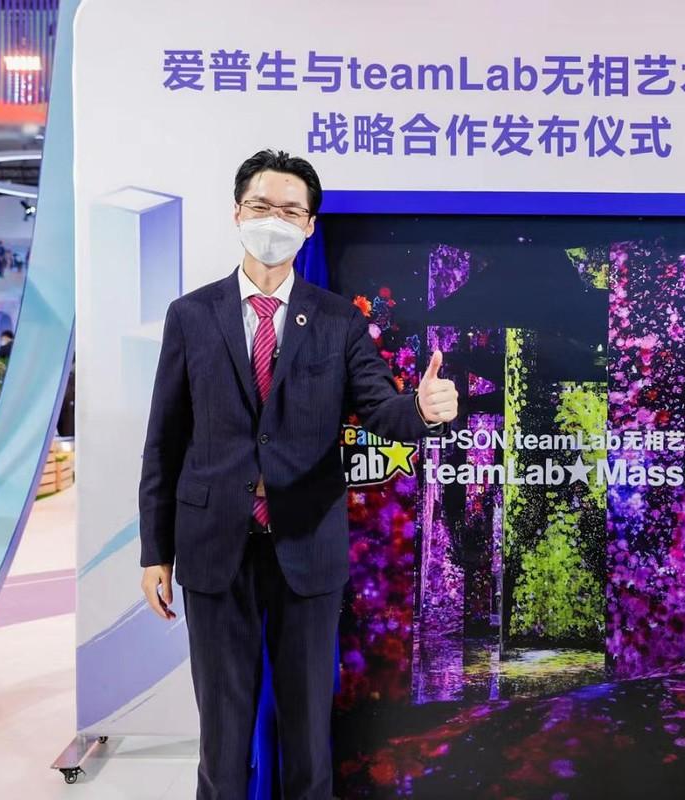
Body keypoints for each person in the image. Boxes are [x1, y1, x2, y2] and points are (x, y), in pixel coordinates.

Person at [138, 149, 459, 800]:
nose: (274, 220)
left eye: (290, 210)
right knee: (222, 732)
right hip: (213, 545)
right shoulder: (190, 316)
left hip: (307, 545)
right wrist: (155, 552)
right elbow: (164, 442)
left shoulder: (337, 320)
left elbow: (380, 408)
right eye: (261, 206)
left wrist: (422, 410)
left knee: (308, 730)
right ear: (237, 213)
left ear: (310, 225)